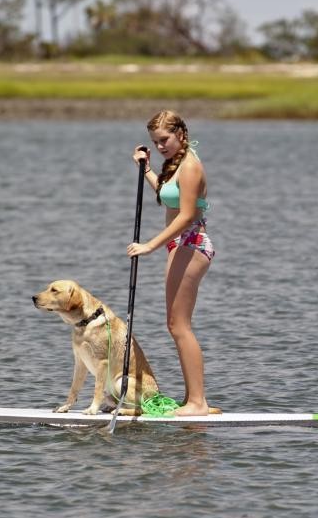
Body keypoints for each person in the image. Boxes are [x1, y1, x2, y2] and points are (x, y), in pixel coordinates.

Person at [127, 110, 216, 416]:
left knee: (180, 325)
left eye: (164, 139)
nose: (161, 145)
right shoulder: (175, 164)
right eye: (155, 141)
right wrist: (147, 169)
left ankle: (198, 403)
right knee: (175, 324)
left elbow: (188, 215)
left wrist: (151, 245)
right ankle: (193, 399)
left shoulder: (190, 166)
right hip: (180, 246)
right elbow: (169, 198)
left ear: (180, 133)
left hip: (191, 245)